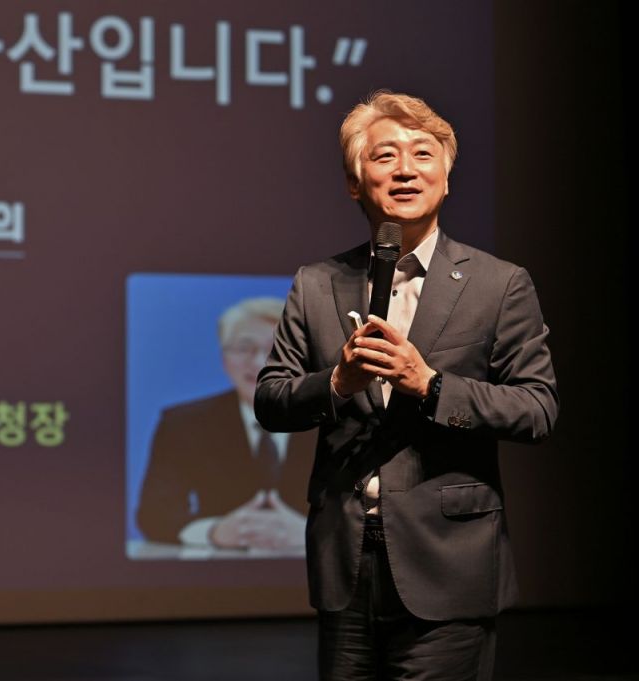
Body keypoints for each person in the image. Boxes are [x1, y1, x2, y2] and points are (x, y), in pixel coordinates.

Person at [254, 91, 559, 679]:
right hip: (345, 564)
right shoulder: (317, 283)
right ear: (355, 182)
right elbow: (272, 399)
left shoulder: (498, 284)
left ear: (446, 178)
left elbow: (537, 408)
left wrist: (431, 385)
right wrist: (338, 381)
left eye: (422, 153)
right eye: (384, 155)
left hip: (450, 563)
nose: (405, 169)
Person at [136, 297, 315, 551]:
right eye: (244, 348)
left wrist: (312, 531)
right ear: (224, 358)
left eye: (276, 349)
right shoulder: (184, 423)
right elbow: (154, 513)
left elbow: (364, 509)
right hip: (217, 569)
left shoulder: (336, 420)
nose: (258, 363)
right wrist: (214, 531)